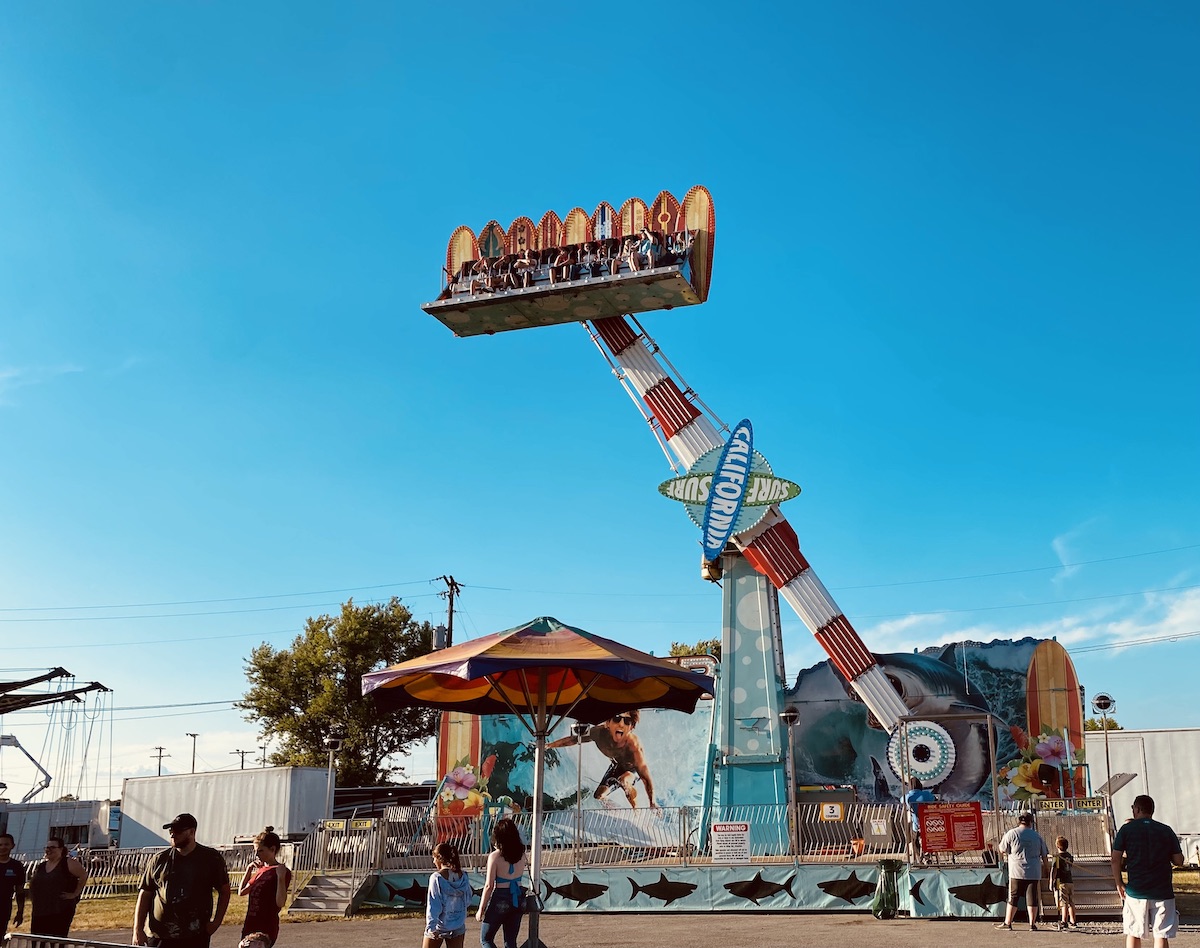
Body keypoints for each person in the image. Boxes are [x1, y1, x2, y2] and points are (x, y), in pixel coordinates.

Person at [133, 812, 231, 948]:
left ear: (192, 832)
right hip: (159, 935)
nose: (173, 834)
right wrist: (138, 930)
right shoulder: (159, 859)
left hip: (194, 935)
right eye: (171, 830)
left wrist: (216, 922)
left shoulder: (210, 859)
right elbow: (145, 894)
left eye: (178, 830)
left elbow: (225, 891)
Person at [547, 710, 660, 811]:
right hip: (616, 766)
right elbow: (574, 739)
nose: (621, 724)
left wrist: (652, 801)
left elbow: (645, 776)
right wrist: (549, 745)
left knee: (624, 780)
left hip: (632, 770)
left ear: (631, 727)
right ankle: (611, 806)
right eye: (616, 718)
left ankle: (636, 810)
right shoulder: (598, 733)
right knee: (599, 796)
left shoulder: (634, 746)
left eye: (627, 721)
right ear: (607, 723)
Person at [1111, 794, 1184, 948]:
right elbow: (1179, 860)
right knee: (1161, 935)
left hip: (1136, 890)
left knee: (1134, 933)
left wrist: (1119, 883)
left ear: (1137, 809)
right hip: (1162, 891)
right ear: (1151, 811)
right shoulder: (1165, 830)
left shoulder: (1126, 830)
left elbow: (1115, 859)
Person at [476, 817, 528, 948]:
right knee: (510, 941)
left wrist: (481, 909)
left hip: (501, 896)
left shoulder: (495, 856)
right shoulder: (522, 853)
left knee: (486, 939)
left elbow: (489, 885)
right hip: (518, 897)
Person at [994, 811, 1049, 931]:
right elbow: (1044, 854)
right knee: (1032, 897)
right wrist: (1047, 869)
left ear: (1019, 821)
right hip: (1034, 871)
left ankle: (1008, 923)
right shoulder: (1036, 836)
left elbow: (1002, 849)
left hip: (1016, 870)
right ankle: (1032, 924)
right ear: (1031, 822)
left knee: (1013, 896)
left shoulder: (1011, 833)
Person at [238, 826, 292, 947]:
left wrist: (281, 878)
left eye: (260, 850)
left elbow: (280, 902)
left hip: (265, 926)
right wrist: (249, 870)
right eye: (256, 850)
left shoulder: (280, 871)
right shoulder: (261, 870)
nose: (257, 854)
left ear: (272, 849)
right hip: (250, 924)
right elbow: (241, 891)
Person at [29, 835, 87, 937]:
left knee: (56, 940)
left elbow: (83, 875)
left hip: (60, 910)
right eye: (47, 848)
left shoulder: (68, 863)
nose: (48, 850)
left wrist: (75, 893)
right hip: (40, 910)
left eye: (52, 847)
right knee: (37, 940)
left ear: (61, 849)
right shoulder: (42, 866)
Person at [424, 841, 470, 948]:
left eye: (434, 858)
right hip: (458, 924)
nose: (433, 861)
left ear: (439, 859)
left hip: (439, 926)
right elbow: (467, 900)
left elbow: (434, 904)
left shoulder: (436, 878)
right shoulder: (463, 876)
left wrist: (431, 927)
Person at [903, 777, 936, 860]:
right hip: (928, 823)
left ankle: (919, 858)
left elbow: (901, 800)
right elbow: (934, 799)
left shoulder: (907, 797)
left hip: (916, 823)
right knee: (930, 839)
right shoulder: (926, 794)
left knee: (914, 840)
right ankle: (929, 854)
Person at [0, 832, 26, 937]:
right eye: (0, 845)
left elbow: (20, 891)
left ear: (12, 846)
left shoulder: (17, 866)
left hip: (4, 908)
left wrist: (20, 912)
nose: (3, 847)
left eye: (6, 844)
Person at [1050, 835, 1078, 931]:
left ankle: (1064, 921)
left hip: (1061, 881)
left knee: (1063, 902)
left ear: (1057, 846)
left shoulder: (1057, 857)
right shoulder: (1069, 856)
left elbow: (1054, 870)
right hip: (1070, 880)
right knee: (1071, 902)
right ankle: (1073, 920)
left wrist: (1051, 881)